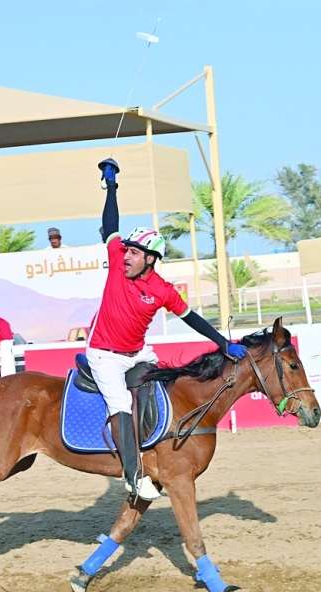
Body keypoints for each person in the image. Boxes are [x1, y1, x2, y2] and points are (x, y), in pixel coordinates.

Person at [87, 159, 248, 502]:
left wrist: (222, 343)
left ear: (150, 259)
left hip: (138, 354)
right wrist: (112, 186)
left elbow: (191, 318)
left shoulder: (162, 289)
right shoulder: (117, 260)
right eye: (126, 250)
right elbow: (110, 224)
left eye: (133, 253)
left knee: (159, 389)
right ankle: (133, 476)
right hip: (104, 354)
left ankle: (158, 450)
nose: (125, 256)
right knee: (121, 406)